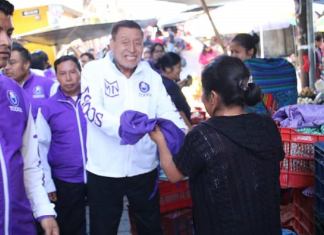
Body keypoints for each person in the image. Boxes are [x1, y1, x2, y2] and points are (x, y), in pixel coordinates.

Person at [150, 56, 284, 235]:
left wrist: (160, 141)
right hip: (266, 225)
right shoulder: (267, 124)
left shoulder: (204, 135)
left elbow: (174, 175)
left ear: (213, 97)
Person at [80, 20, 186, 235]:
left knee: (150, 227)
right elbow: (90, 108)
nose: (132, 49)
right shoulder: (94, 70)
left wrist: (183, 134)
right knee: (103, 228)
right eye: (125, 42)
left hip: (144, 167)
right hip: (104, 170)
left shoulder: (151, 75)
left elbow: (167, 111)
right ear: (111, 44)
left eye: (137, 43)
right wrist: (121, 128)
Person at [0, 1, 59, 234]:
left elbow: (29, 162)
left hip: (19, 225)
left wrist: (44, 211)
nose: (6, 42)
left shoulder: (16, 93)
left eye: (9, 32)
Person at [36, 55, 87, 235]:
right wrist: (48, 183)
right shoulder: (48, 107)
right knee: (72, 226)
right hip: (66, 179)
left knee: (103, 223)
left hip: (99, 174)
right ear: (56, 76)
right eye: (63, 73)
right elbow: (41, 147)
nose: (69, 78)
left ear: (80, 72)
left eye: (73, 72)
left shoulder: (93, 99)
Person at [230, 33, 297, 113]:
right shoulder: (284, 66)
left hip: (257, 120)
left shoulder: (245, 69)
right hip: (286, 118)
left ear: (250, 51)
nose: (233, 56)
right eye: (231, 52)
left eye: (237, 52)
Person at [4, 46, 56, 117]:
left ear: (26, 64)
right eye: (5, 62)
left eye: (12, 63)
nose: (6, 67)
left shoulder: (48, 85)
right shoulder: (3, 88)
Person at [157, 52, 191, 128]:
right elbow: (179, 112)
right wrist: (190, 130)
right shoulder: (170, 86)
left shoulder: (161, 81)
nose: (181, 70)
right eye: (178, 67)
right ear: (167, 69)